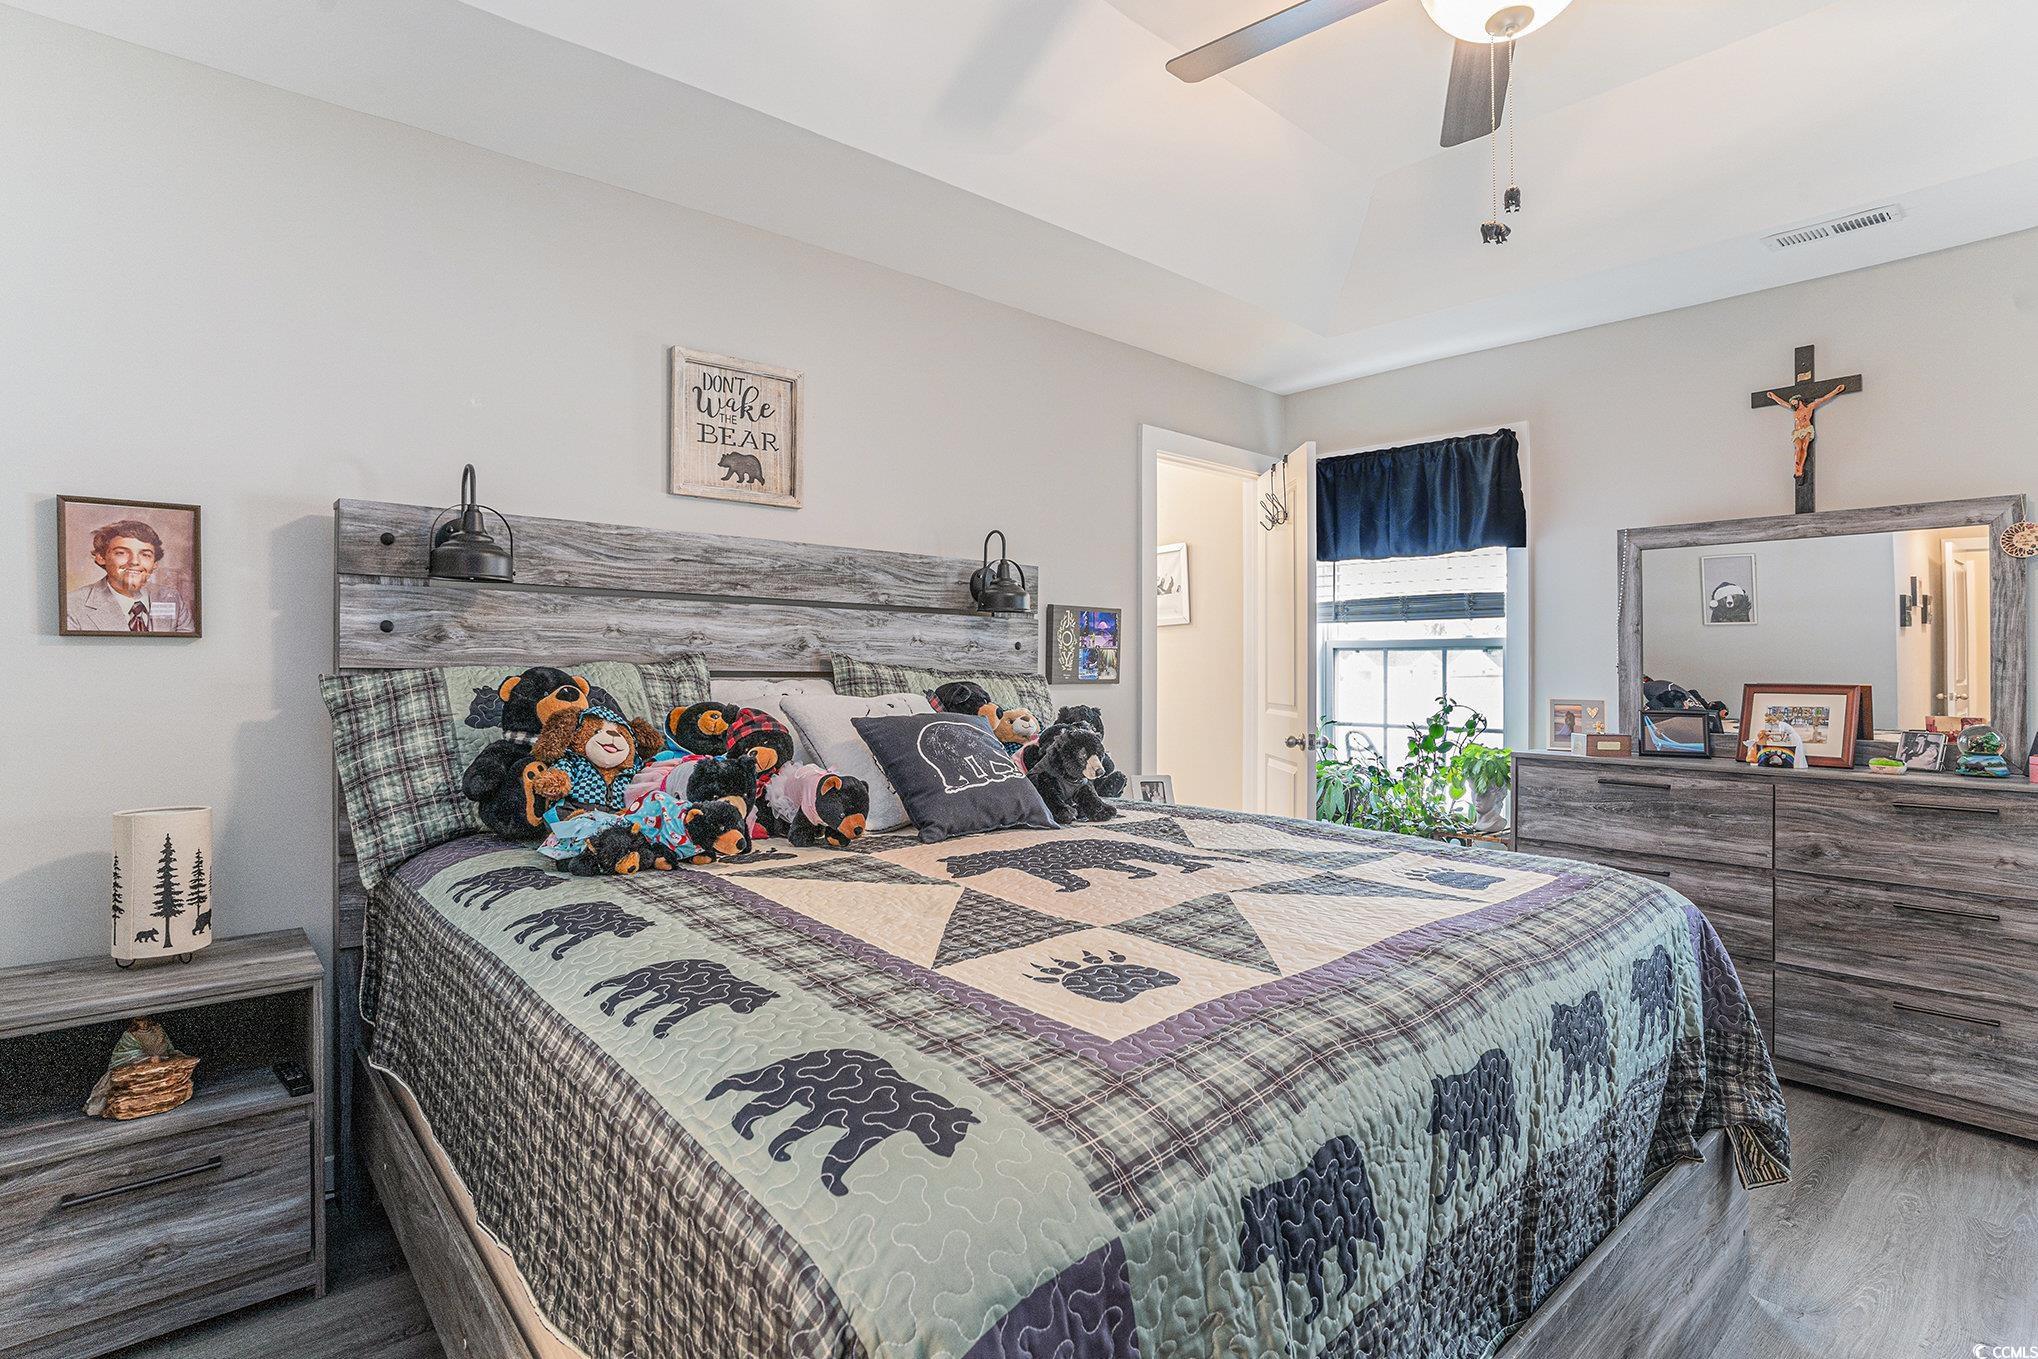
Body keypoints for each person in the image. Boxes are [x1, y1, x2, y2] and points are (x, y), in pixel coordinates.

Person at [65, 517, 193, 633]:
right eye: (121, 553)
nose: (134, 562)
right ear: (101, 557)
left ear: (155, 563)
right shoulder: (72, 605)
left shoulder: (171, 598)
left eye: (145, 554)